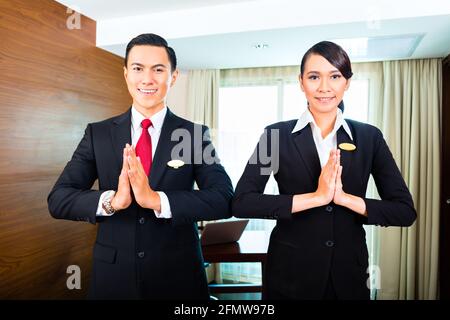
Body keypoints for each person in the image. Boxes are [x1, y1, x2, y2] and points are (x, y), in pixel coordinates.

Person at [48, 33, 233, 300]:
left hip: (178, 277)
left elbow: (223, 198)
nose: (147, 79)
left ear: (174, 77)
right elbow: (59, 199)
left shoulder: (193, 135)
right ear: (126, 74)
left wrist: (157, 200)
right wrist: (113, 201)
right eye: (138, 69)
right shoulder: (97, 134)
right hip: (113, 278)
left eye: (158, 70)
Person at [232, 41, 416, 300]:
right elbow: (242, 202)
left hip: (349, 275)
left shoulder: (369, 137)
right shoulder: (275, 135)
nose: (324, 87)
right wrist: (315, 198)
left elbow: (404, 212)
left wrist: (344, 199)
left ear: (347, 83)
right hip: (289, 274)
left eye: (335, 76)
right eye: (314, 77)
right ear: (301, 81)